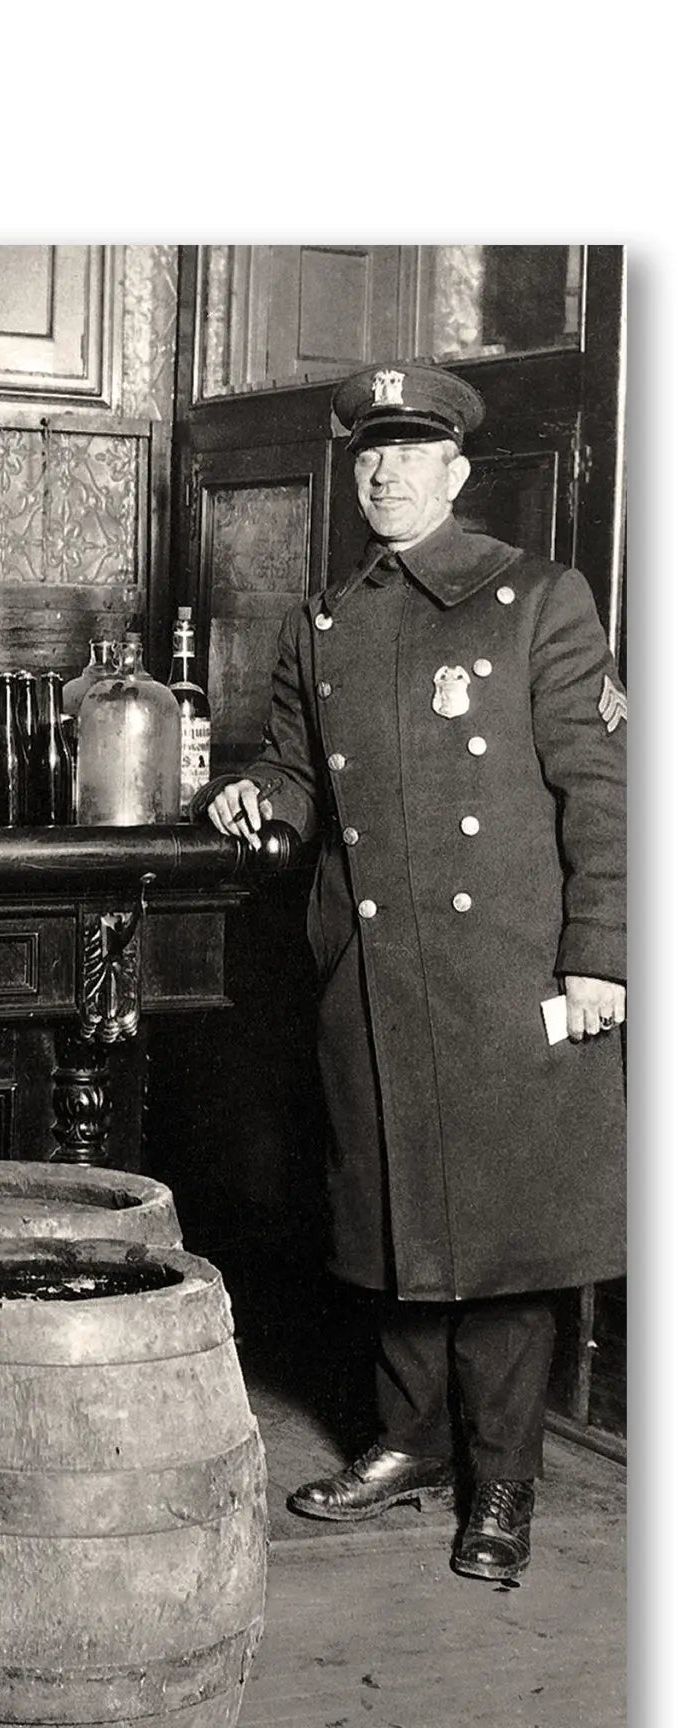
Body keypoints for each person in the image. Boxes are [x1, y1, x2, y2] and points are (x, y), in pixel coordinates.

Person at [203, 361, 625, 1583]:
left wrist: (600, 956)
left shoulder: (535, 597)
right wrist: (250, 795)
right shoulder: (324, 621)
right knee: (385, 1218)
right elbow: (295, 775)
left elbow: (603, 794)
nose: (382, 469)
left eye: (406, 450)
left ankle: (502, 1481)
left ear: (454, 469)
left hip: (505, 976)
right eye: (366, 453)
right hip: (373, 969)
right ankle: (409, 1441)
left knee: (500, 1242)